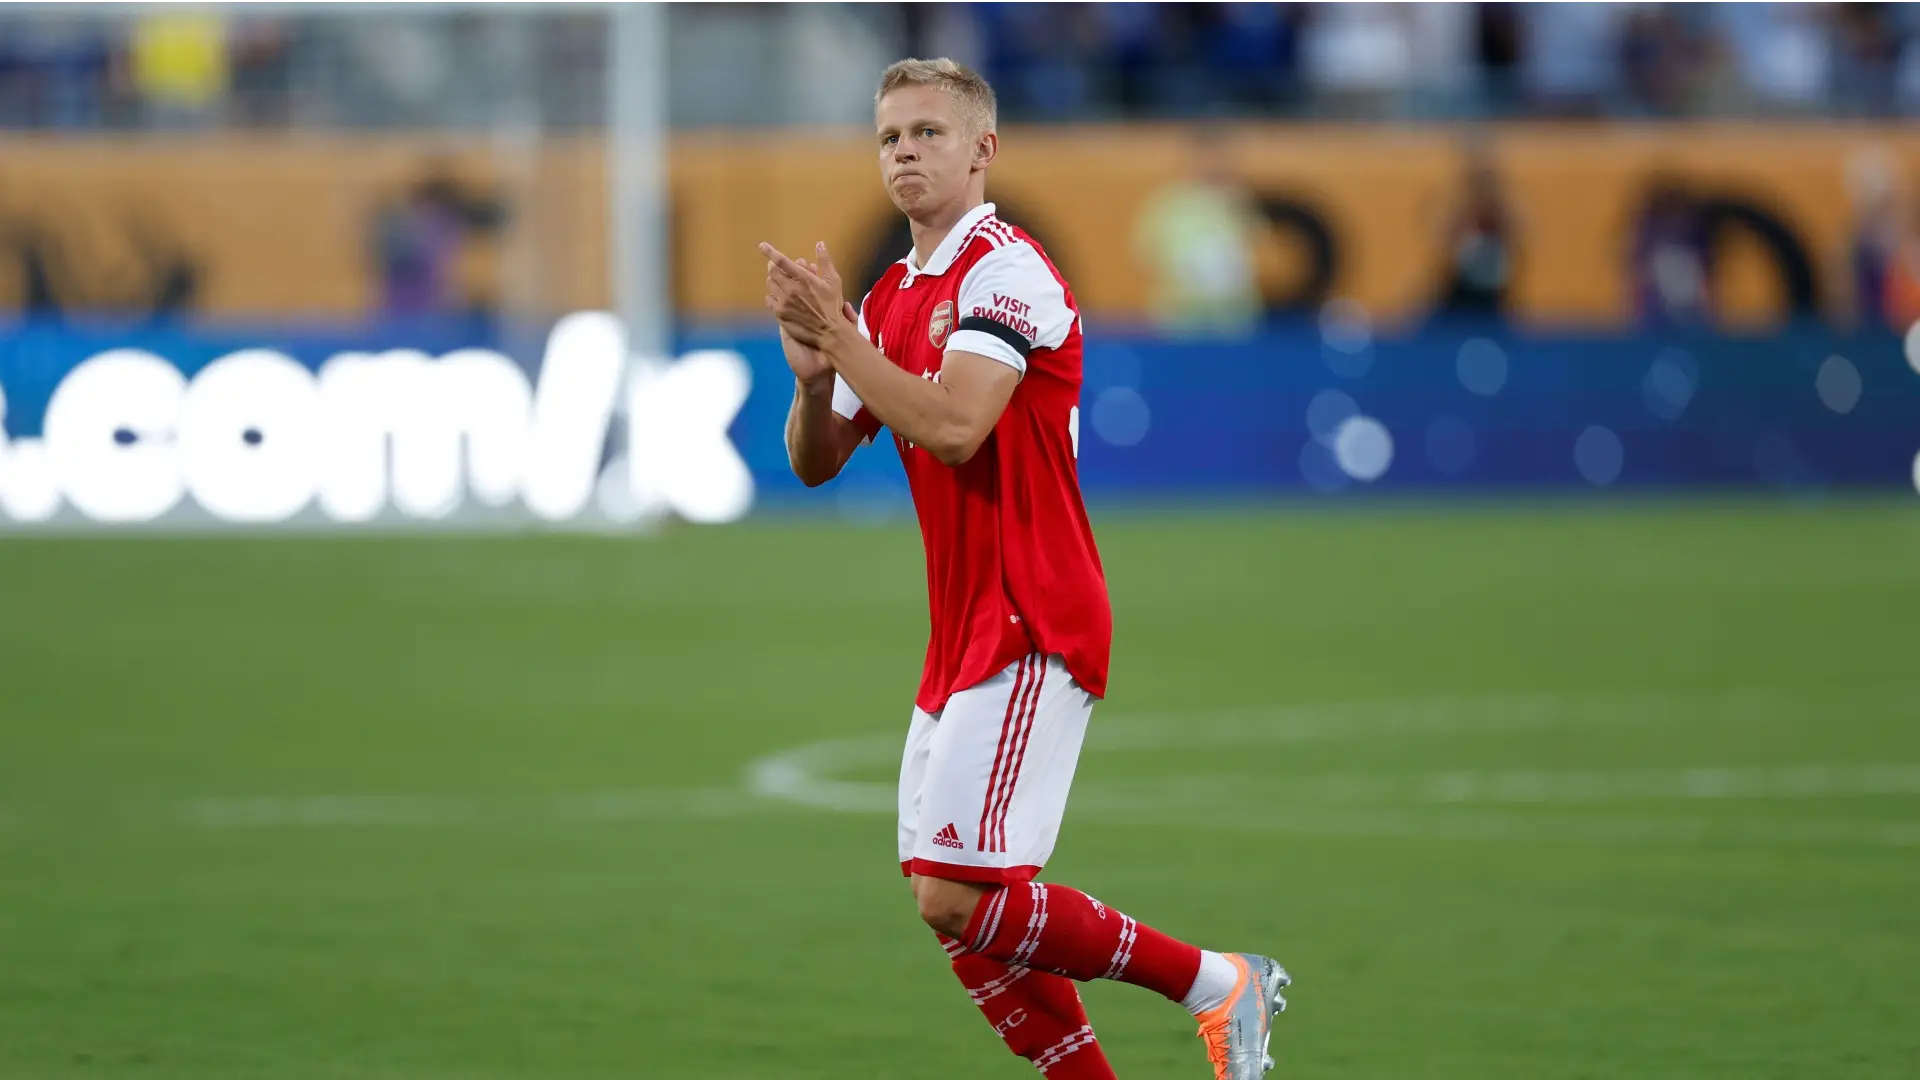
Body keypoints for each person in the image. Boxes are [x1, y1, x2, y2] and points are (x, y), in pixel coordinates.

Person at [759, 58, 1289, 1080]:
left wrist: (844, 338)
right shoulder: (895, 295)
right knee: (958, 913)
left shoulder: (1008, 271)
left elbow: (957, 427)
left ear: (981, 149)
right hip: (962, 629)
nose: (904, 153)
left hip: (1034, 612)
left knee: (955, 891)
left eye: (926, 133)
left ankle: (1220, 984)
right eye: (888, 138)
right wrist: (816, 374)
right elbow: (818, 460)